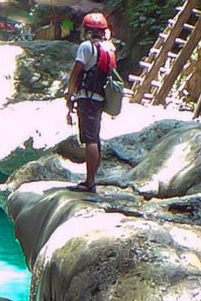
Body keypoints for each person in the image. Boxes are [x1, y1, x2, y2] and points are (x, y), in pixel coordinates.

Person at [64, 12, 117, 194]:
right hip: (100, 98)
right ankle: (92, 178)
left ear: (87, 30)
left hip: (86, 98)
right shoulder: (109, 48)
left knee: (90, 139)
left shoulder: (86, 47)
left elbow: (76, 72)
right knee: (95, 136)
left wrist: (69, 94)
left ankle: (90, 182)